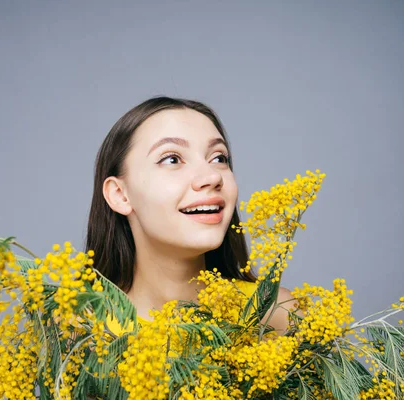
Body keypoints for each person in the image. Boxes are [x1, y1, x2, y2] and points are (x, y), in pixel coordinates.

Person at [86, 96, 298, 335]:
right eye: (172, 159)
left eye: (219, 158)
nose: (212, 177)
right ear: (119, 195)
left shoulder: (279, 316)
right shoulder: (80, 332)